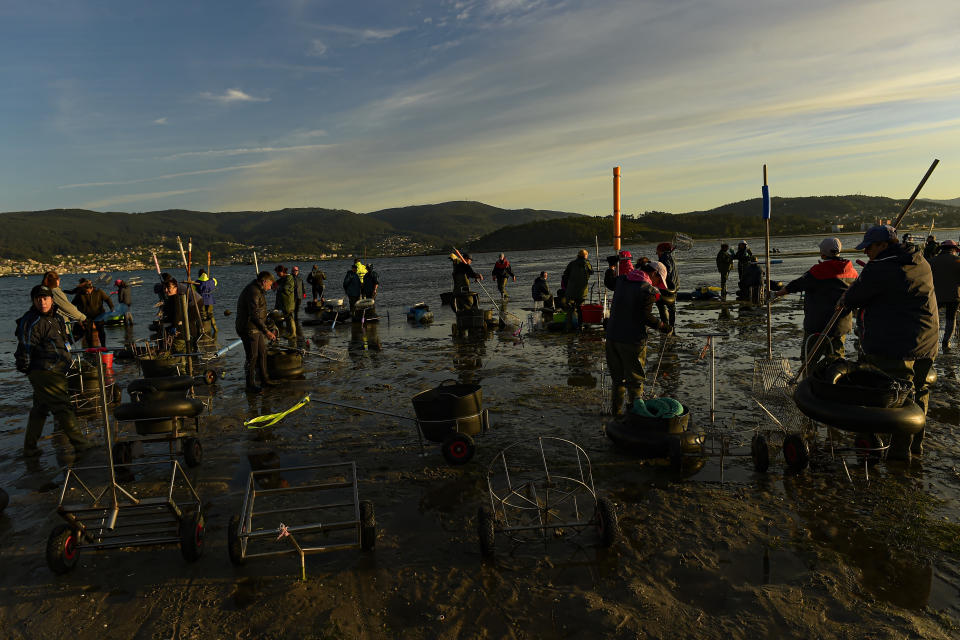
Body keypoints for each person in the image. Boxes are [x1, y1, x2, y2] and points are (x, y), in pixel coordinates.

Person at [843, 224, 939, 460]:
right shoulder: (920, 260)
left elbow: (855, 297)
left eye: (869, 247)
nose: (866, 252)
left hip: (898, 343)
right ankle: (916, 446)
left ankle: (899, 452)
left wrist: (846, 296)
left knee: (899, 394)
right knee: (919, 391)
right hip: (927, 338)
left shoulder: (881, 268)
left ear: (884, 245)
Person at [15, 285, 91, 456]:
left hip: (57, 369)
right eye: (38, 299)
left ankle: (30, 448)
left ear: (52, 300)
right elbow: (26, 346)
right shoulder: (31, 320)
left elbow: (64, 343)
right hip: (45, 370)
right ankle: (81, 444)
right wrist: (27, 368)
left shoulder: (56, 318)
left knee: (40, 409)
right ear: (33, 301)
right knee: (63, 407)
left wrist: (79, 333)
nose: (42, 302)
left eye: (45, 298)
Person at [774, 238, 858, 365]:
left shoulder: (818, 271)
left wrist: (777, 294)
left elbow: (796, 285)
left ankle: (810, 383)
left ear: (823, 254)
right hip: (841, 326)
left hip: (818, 326)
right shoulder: (851, 271)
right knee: (837, 363)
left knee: (809, 361)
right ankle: (832, 383)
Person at [605, 266, 670, 415]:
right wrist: (662, 326)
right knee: (635, 382)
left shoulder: (621, 280)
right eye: (658, 280)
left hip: (612, 337)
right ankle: (636, 417)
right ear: (654, 273)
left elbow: (608, 282)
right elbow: (645, 317)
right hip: (632, 340)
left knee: (618, 380)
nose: (656, 285)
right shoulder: (647, 291)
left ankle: (617, 414)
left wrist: (611, 269)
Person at [236, 272, 279, 393]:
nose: (270, 288)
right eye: (270, 285)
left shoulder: (258, 290)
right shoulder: (253, 291)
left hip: (257, 327)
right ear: (264, 282)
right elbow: (254, 314)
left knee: (262, 353)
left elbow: (260, 312)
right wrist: (266, 331)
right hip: (248, 327)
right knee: (252, 356)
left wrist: (265, 325)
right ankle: (249, 385)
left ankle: (265, 379)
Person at [931, 239, 960, 351]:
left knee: (933, 317)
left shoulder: (931, 261)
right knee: (950, 318)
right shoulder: (958, 261)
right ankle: (945, 342)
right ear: (954, 250)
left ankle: (932, 340)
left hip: (935, 295)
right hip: (954, 295)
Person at [161, 277, 202, 352]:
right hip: (190, 302)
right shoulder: (174, 294)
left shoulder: (178, 294)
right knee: (185, 321)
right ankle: (192, 341)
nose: (166, 290)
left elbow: (177, 312)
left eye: (168, 288)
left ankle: (192, 341)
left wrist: (175, 326)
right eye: (164, 288)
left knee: (187, 320)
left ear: (175, 287)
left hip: (195, 303)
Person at [41, 271, 86, 337]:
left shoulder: (43, 290)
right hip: (59, 328)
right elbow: (67, 307)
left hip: (48, 326)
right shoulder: (55, 291)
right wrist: (83, 318)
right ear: (57, 280)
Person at [72, 279, 113, 347]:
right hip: (86, 316)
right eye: (85, 291)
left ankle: (103, 346)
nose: (86, 293)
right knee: (88, 332)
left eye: (87, 291)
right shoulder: (80, 294)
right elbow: (73, 304)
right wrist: (77, 316)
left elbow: (107, 299)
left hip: (99, 314)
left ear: (91, 289)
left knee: (101, 330)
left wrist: (112, 308)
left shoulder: (99, 291)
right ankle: (90, 347)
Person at [562, 249, 592, 329]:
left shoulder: (572, 264)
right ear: (585, 256)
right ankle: (580, 326)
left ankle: (568, 327)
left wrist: (566, 287)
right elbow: (591, 272)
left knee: (570, 309)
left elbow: (565, 275)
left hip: (571, 291)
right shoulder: (587, 264)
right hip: (582, 291)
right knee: (580, 309)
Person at [656, 242, 679, 327]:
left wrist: (659, 277)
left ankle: (666, 326)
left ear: (661, 251)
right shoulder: (671, 257)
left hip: (667, 287)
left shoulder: (664, 258)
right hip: (675, 285)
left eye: (657, 252)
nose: (657, 254)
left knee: (660, 304)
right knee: (672, 307)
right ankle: (672, 326)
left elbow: (667, 270)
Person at [274, 265, 296, 338]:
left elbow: (286, 288)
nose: (277, 274)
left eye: (278, 273)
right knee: (285, 318)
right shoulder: (282, 279)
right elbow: (274, 284)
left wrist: (278, 287)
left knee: (289, 317)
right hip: (282, 303)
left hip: (288, 302)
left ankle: (293, 333)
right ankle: (287, 332)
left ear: (282, 272)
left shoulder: (289, 278)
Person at [195, 269, 218, 335]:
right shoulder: (212, 281)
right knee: (211, 314)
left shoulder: (197, 282)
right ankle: (215, 329)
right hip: (210, 299)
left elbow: (194, 290)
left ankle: (203, 331)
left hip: (201, 300)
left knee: (203, 315)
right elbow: (215, 283)